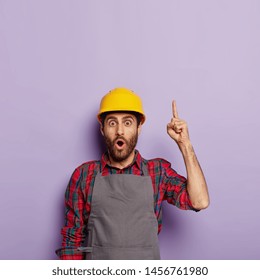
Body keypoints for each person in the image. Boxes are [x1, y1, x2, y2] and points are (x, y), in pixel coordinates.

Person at [56, 87, 209, 260]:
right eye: (112, 123)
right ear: (102, 129)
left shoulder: (157, 173)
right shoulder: (83, 176)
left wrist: (185, 144)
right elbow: (72, 242)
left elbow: (199, 201)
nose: (119, 131)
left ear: (139, 127)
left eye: (127, 122)